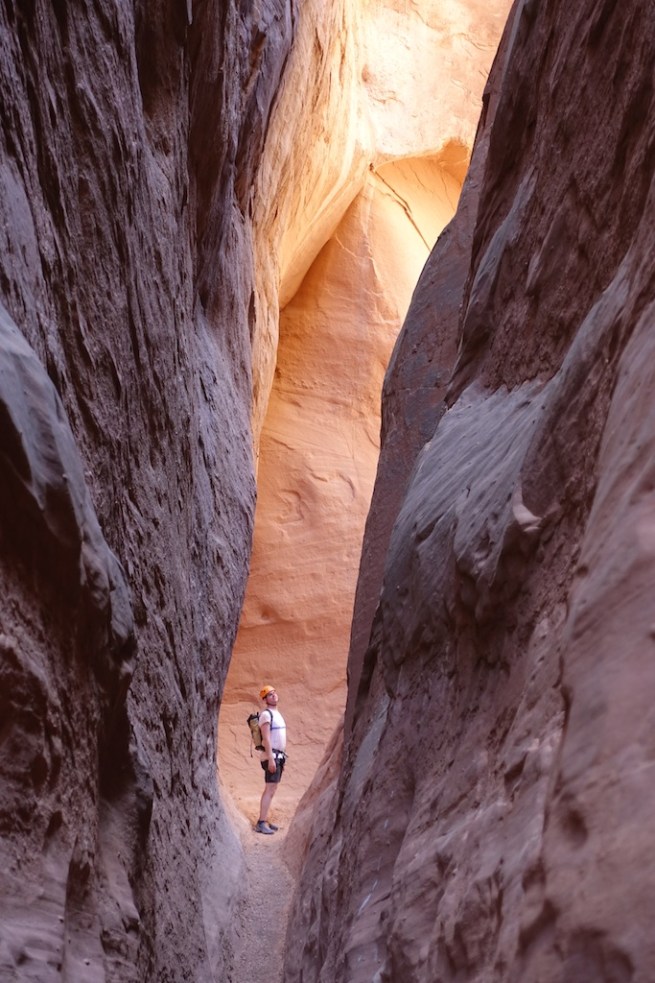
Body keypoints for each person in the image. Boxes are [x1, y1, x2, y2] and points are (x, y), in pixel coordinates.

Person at [255, 685, 287, 834]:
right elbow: (266, 739)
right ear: (265, 699)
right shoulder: (266, 715)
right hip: (271, 757)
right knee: (269, 789)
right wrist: (270, 759)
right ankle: (261, 822)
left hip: (278, 756)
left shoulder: (276, 713)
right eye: (269, 695)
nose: (274, 696)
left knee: (272, 789)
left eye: (274, 693)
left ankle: (264, 819)